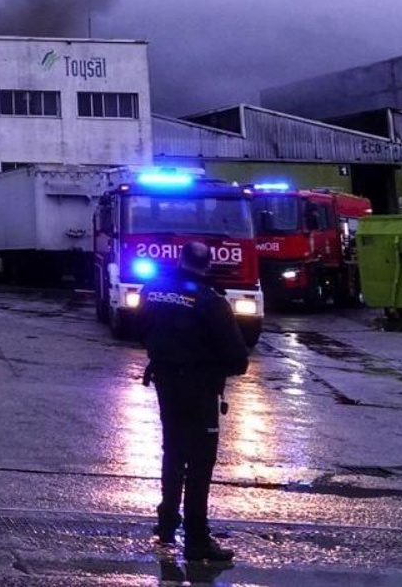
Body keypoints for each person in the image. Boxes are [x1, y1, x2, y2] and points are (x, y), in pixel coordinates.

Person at [140, 239, 251, 562]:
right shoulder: (211, 301)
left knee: (172, 451)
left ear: (180, 260)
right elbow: (237, 359)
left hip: (165, 382)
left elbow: (139, 329)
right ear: (208, 264)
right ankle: (198, 539)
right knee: (200, 463)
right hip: (200, 389)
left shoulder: (153, 290)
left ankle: (166, 523)